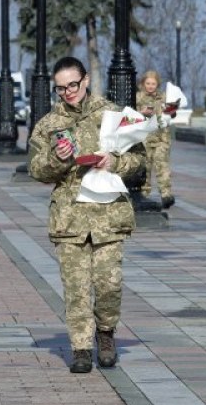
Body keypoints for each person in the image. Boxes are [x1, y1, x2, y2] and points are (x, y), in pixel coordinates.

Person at [28, 57, 146, 374]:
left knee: (109, 286)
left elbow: (139, 163)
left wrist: (114, 162)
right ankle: (81, 348)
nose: (68, 92)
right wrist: (57, 158)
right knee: (76, 289)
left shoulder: (114, 114)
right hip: (70, 218)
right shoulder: (49, 124)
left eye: (73, 85)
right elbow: (36, 170)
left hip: (109, 215)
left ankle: (105, 334)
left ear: (85, 81)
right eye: (61, 88)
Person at [136, 70, 175, 208]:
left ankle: (166, 195)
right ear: (143, 83)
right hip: (144, 140)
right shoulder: (138, 98)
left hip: (161, 138)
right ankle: (144, 195)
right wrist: (141, 112)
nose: (151, 86)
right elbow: (129, 115)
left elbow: (172, 114)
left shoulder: (163, 97)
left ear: (157, 84)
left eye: (153, 83)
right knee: (144, 169)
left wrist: (171, 111)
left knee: (162, 166)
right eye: (148, 83)